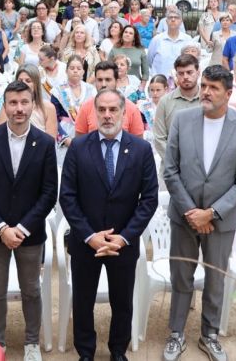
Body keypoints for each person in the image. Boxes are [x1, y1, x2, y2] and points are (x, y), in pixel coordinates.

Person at [160, 65, 236, 361]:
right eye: (204, 85)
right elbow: (170, 170)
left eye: (213, 88)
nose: (205, 92)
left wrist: (211, 213)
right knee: (181, 277)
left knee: (215, 279)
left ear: (229, 93)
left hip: (220, 222)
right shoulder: (182, 119)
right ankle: (176, 333)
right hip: (184, 216)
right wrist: (192, 211)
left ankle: (209, 334)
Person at [59, 88, 157, 361]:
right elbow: (67, 196)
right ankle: (86, 353)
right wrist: (90, 235)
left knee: (122, 302)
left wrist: (123, 237)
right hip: (85, 242)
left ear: (124, 113)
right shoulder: (79, 147)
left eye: (113, 109)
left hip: (123, 244)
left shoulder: (141, 149)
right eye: (101, 109)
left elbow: (149, 200)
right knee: (83, 301)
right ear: (93, 113)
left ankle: (117, 351)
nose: (107, 115)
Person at [0, 81, 58, 358]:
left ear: (33, 104)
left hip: (29, 233)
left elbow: (48, 193)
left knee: (31, 289)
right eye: (13, 103)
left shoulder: (45, 143)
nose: (19, 109)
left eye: (24, 102)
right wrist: (1, 228)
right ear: (5, 105)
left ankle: (31, 342)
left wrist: (20, 228)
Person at [73, 61, 144, 139]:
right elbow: (79, 142)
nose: (103, 84)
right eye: (100, 80)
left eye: (108, 80)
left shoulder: (132, 109)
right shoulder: (86, 107)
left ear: (116, 81)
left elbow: (138, 145)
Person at [0, 65, 59, 140]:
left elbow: (51, 140)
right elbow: (0, 135)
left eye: (28, 81)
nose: (24, 84)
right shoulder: (9, 106)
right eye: (20, 81)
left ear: (36, 84)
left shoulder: (48, 108)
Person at [52, 55, 97, 143]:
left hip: (87, 133)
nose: (75, 71)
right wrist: (65, 139)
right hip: (65, 134)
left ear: (83, 71)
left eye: (79, 68)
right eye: (72, 68)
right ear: (66, 71)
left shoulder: (91, 90)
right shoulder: (58, 91)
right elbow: (54, 119)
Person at [148, 9, 193, 77]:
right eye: (170, 17)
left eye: (176, 17)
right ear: (166, 21)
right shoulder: (157, 40)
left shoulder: (188, 39)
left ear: (181, 21)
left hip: (181, 82)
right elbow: (149, 60)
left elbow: (192, 60)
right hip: (160, 82)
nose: (173, 20)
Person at [109, 25, 148, 90]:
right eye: (126, 32)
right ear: (122, 34)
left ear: (134, 37)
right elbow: (108, 69)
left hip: (135, 86)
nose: (127, 34)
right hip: (117, 86)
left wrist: (141, 88)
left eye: (130, 33)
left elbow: (145, 72)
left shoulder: (140, 50)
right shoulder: (115, 49)